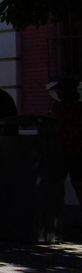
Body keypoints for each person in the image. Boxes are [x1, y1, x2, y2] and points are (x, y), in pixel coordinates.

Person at [51, 76, 82, 206]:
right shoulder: (79, 107)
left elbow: (56, 128)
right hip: (79, 150)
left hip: (63, 150)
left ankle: (56, 213)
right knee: (79, 183)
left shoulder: (59, 107)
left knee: (56, 184)